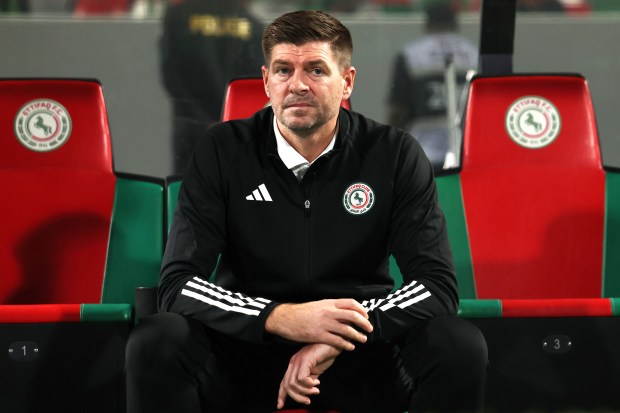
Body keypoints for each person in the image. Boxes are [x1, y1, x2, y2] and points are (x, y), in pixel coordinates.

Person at [126, 10, 488, 413]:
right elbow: (178, 285)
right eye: (283, 70)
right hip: (246, 353)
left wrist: (332, 334)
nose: (297, 84)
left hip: (359, 356)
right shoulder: (221, 150)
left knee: (458, 344)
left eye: (316, 70)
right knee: (157, 340)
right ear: (266, 81)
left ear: (347, 81)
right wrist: (279, 317)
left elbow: (436, 285)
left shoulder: (394, 153)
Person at [159, 0, 264, 174]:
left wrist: (203, 122)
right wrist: (231, 124)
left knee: (187, 188)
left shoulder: (178, 17)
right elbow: (256, 85)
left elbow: (172, 75)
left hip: (192, 128)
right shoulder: (250, 23)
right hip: (235, 133)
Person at [387, 0, 478, 172]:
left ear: (427, 24)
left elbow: (398, 110)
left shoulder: (411, 54)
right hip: (466, 152)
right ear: (454, 23)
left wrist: (393, 151)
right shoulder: (474, 54)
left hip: (422, 151)